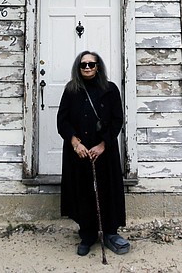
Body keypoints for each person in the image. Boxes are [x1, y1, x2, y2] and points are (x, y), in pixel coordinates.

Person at [57, 50, 131, 256]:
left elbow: (117, 120)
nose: (87, 68)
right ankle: (87, 234)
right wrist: (74, 143)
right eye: (83, 65)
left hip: (103, 150)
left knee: (108, 189)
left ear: (98, 67)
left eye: (91, 64)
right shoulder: (71, 90)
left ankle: (110, 232)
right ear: (78, 68)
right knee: (82, 191)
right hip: (79, 153)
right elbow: (62, 120)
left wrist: (102, 145)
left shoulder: (110, 89)